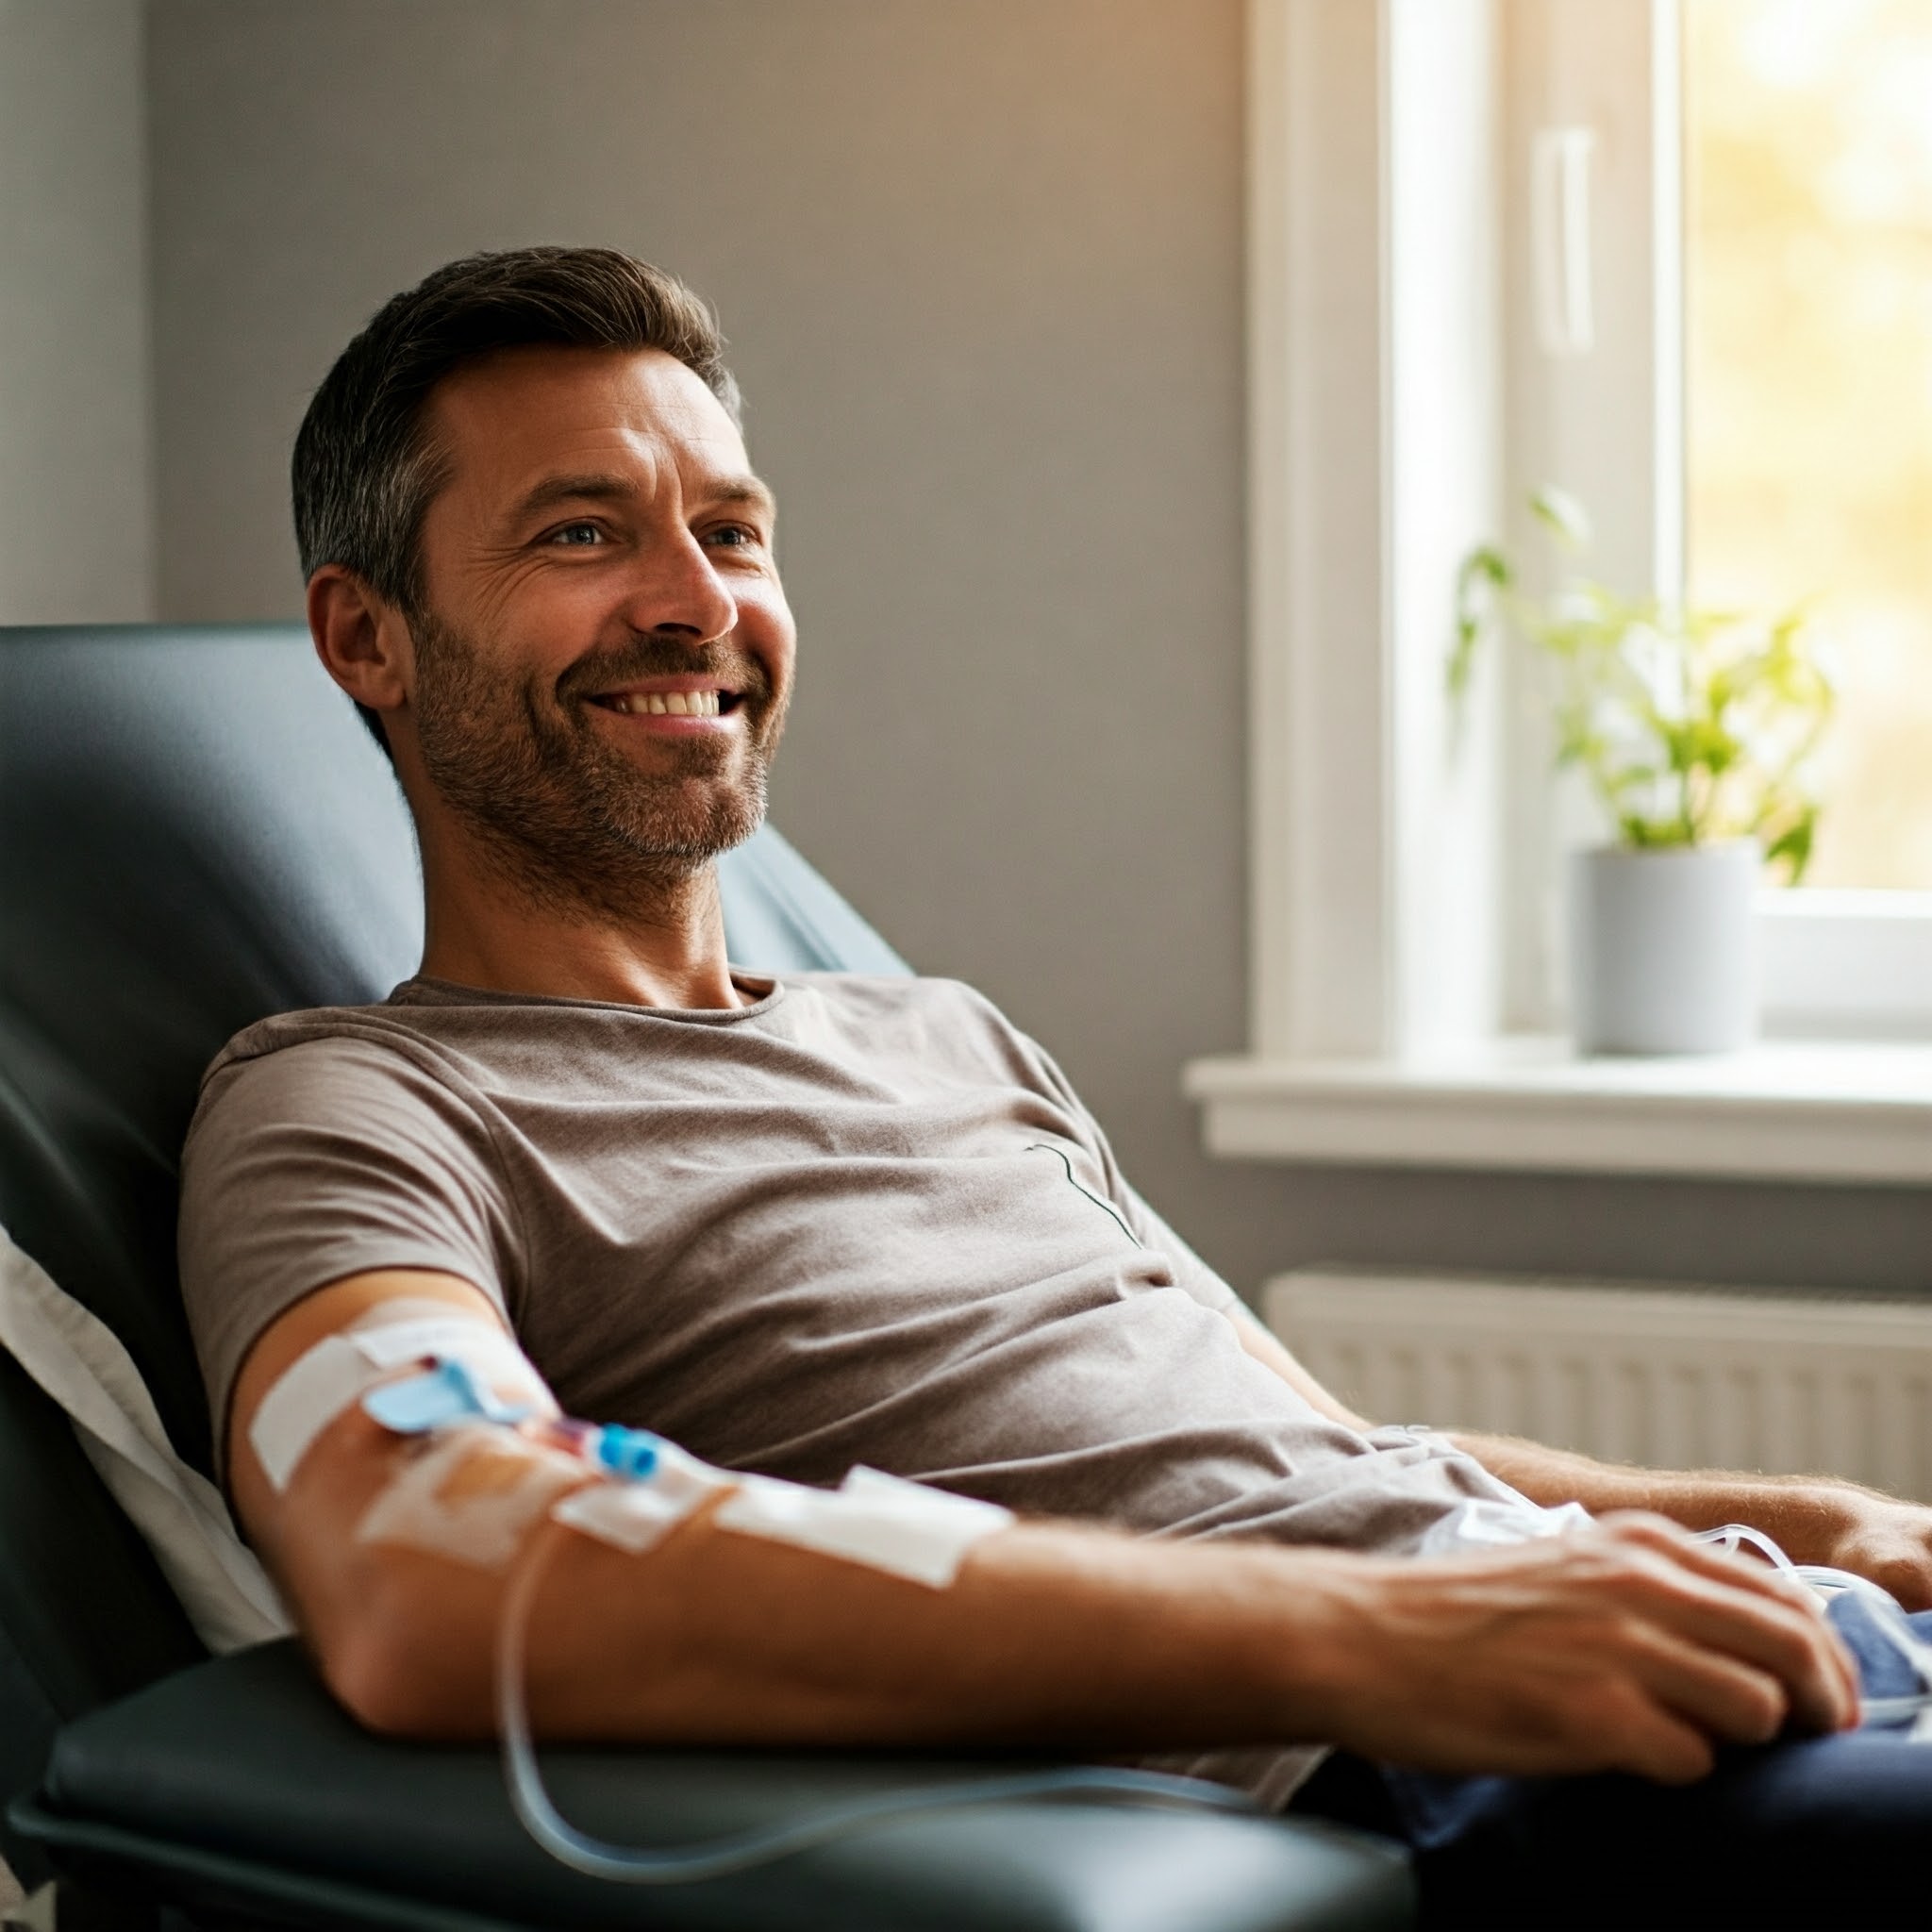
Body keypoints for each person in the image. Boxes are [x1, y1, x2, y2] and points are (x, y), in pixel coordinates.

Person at [178, 248, 1932, 1924]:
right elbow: (436, 1546)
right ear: (367, 638)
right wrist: (1389, 1641)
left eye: (732, 530)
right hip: (1473, 1758)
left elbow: (1304, 1449)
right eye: (583, 532)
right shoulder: (356, 1110)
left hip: (1760, 1637)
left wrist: (1807, 1522)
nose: (697, 600)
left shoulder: (940, 1031)